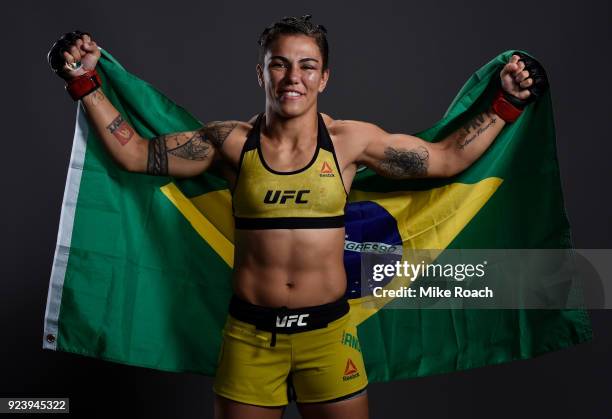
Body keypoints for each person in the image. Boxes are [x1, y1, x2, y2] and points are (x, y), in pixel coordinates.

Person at [48, 15, 548, 419]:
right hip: (250, 338)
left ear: (324, 77)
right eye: (280, 65)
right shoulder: (230, 143)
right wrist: (85, 81)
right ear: (261, 72)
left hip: (328, 337)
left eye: (308, 66)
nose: (293, 77)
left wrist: (508, 101)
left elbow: (445, 159)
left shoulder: (350, 143)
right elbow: (135, 153)